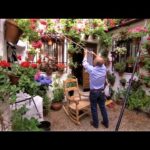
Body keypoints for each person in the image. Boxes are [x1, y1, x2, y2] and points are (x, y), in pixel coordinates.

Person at [82, 49, 109, 128]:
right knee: (102, 107)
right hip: (101, 92)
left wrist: (85, 53)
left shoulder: (92, 70)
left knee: (94, 108)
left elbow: (84, 63)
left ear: (96, 63)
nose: (93, 61)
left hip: (94, 92)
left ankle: (96, 124)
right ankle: (106, 123)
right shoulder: (104, 68)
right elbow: (100, 60)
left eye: (94, 61)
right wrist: (94, 53)